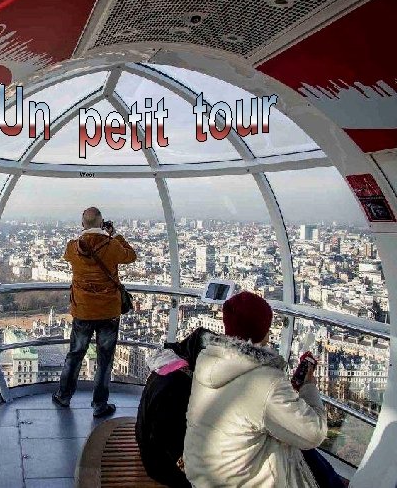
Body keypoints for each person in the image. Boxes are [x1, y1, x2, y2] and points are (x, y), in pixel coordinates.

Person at [184, 291, 329, 487]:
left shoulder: (207, 360)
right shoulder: (266, 380)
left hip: (202, 477)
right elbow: (314, 434)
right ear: (263, 331)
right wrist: (309, 387)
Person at [52, 207, 136, 417]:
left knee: (75, 354)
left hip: (83, 310)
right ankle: (99, 404)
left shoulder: (73, 247)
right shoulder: (112, 245)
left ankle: (64, 395)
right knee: (105, 360)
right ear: (101, 223)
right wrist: (115, 235)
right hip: (108, 311)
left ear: (82, 224)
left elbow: (68, 256)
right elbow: (131, 256)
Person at [135, 327, 213, 488]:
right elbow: (170, 441)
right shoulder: (178, 385)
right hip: (160, 463)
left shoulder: (169, 366)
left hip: (149, 448)